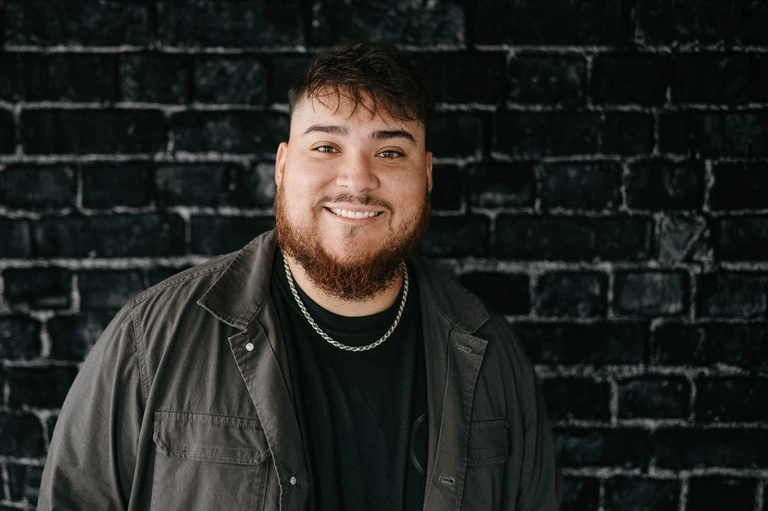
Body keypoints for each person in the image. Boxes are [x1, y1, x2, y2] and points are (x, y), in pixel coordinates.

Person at [38, 42, 561, 510]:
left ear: (426, 174)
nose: (357, 180)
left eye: (389, 151)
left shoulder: (494, 358)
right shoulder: (149, 340)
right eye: (326, 147)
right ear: (283, 166)